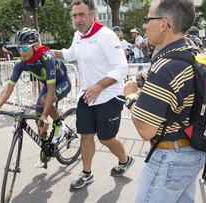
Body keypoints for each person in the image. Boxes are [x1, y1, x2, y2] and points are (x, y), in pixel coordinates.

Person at [123, 0, 205, 202]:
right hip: (191, 151)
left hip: (170, 157)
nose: (144, 26)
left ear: (163, 24)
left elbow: (145, 129)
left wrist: (131, 95)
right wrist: (151, 85)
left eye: (147, 19)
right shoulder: (191, 52)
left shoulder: (166, 66)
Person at [53, 0, 134, 190]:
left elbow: (122, 67)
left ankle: (125, 159)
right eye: (74, 16)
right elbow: (71, 53)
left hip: (110, 96)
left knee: (106, 138)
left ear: (92, 14)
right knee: (85, 135)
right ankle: (86, 173)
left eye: (81, 15)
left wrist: (99, 86)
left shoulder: (107, 36)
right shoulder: (77, 36)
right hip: (86, 96)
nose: (77, 20)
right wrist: (48, 52)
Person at [0, 27, 71, 168]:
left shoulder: (47, 58)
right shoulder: (21, 63)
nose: (21, 51)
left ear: (35, 46)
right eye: (18, 47)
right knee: (39, 122)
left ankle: (60, 124)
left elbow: (51, 90)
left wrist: (46, 115)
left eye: (24, 47)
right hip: (48, 85)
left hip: (62, 83)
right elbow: (8, 87)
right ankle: (46, 149)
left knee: (44, 103)